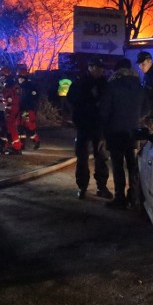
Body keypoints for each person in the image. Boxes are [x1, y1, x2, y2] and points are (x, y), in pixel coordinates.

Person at [100, 58, 144, 209]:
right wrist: (136, 119)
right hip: (132, 131)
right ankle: (134, 196)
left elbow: (104, 111)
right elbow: (147, 108)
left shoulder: (112, 85)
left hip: (115, 131)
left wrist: (103, 131)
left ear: (116, 70)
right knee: (132, 164)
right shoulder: (139, 85)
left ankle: (120, 198)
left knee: (118, 165)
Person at [66, 57, 112, 200]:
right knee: (82, 157)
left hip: (99, 125)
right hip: (84, 124)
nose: (100, 71)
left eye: (101, 68)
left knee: (101, 156)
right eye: (97, 68)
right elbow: (71, 99)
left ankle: (102, 186)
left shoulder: (105, 84)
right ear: (90, 67)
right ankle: (82, 186)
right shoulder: (80, 83)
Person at [0, 66, 23, 155]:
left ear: (5, 75)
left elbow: (9, 99)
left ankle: (17, 147)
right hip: (14, 108)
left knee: (11, 128)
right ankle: (6, 146)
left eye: (1, 75)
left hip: (11, 109)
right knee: (8, 127)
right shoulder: (14, 85)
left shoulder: (8, 86)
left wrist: (8, 108)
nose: (0, 77)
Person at [16, 67, 40, 150]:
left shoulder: (29, 87)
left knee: (28, 127)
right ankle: (22, 144)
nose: (19, 79)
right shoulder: (18, 86)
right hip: (20, 109)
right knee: (20, 127)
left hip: (27, 109)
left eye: (20, 78)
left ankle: (36, 141)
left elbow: (34, 97)